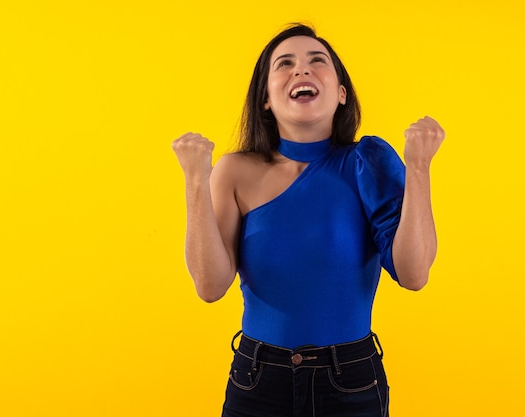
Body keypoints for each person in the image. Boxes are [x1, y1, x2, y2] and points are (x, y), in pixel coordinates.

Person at [172, 24, 444, 417]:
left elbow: (414, 273)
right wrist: (195, 181)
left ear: (340, 93)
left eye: (318, 61)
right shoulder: (234, 172)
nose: (302, 70)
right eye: (285, 64)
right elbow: (210, 286)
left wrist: (419, 167)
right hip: (257, 380)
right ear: (265, 98)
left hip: (349, 382)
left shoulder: (367, 163)